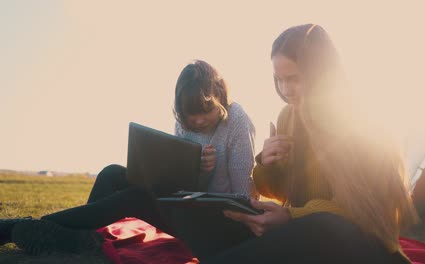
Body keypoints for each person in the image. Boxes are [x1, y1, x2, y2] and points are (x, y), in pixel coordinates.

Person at [202, 24, 419, 263]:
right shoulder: (289, 116)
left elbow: (361, 210)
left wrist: (291, 216)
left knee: (320, 227)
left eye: (293, 79)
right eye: (279, 80)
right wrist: (268, 164)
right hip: (312, 239)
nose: (285, 90)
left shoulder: (356, 117)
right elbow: (281, 193)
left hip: (366, 245)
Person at [0, 59, 256, 256]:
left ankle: (20, 227)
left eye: (206, 111)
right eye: (191, 115)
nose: (198, 120)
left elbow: (241, 199)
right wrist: (185, 175)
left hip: (220, 224)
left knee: (137, 197)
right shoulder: (184, 123)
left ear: (220, 97)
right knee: (112, 173)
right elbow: (178, 180)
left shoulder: (237, 121)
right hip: (183, 204)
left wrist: (204, 174)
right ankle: (81, 238)